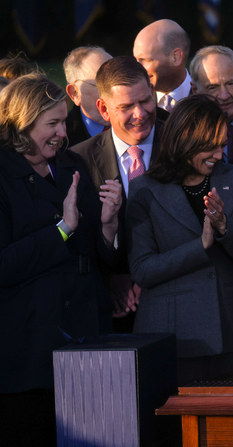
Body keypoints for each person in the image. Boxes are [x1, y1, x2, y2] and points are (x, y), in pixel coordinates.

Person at [0, 74, 121, 445]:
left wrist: (108, 226)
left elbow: (93, 252)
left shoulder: (71, 165)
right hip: (27, 354)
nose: (62, 133)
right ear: (22, 122)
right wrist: (61, 230)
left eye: (62, 122)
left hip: (86, 342)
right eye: (50, 124)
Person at [127, 94, 233, 385]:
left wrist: (225, 228)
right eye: (211, 146)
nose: (219, 154)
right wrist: (199, 246)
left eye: (222, 144)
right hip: (175, 336)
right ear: (187, 140)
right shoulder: (145, 189)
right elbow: (142, 270)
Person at [71, 55, 163, 326]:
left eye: (145, 100)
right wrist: (113, 279)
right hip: (114, 313)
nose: (140, 114)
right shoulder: (80, 160)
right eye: (126, 106)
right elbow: (83, 244)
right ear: (103, 109)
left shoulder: (180, 143)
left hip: (177, 299)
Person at [190, 45, 233, 163]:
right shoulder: (188, 135)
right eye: (213, 87)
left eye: (230, 83)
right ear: (195, 90)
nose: (224, 96)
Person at [133, 19, 191, 112]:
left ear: (175, 57)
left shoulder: (209, 100)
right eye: (136, 60)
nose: (137, 68)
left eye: (145, 60)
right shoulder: (132, 104)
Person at [63, 46, 112, 145]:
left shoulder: (141, 123)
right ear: (75, 93)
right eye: (102, 84)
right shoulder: (61, 139)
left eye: (118, 81)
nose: (115, 90)